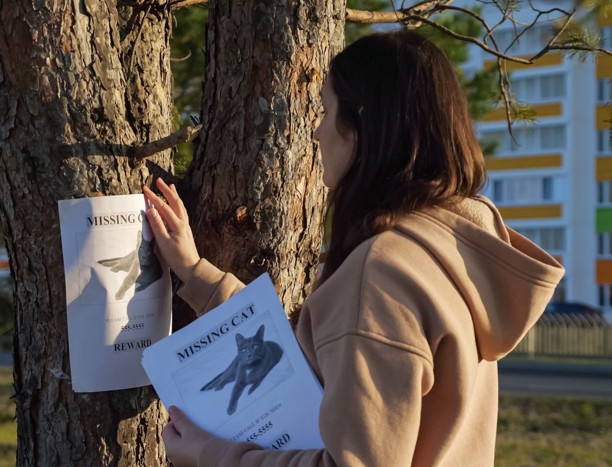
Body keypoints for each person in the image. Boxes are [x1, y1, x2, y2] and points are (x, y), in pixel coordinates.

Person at [142, 30, 564, 467]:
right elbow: (319, 357)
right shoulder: (451, 256)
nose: (317, 131)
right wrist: (195, 272)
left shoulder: (382, 273)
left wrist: (212, 454)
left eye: (326, 110)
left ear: (363, 127)